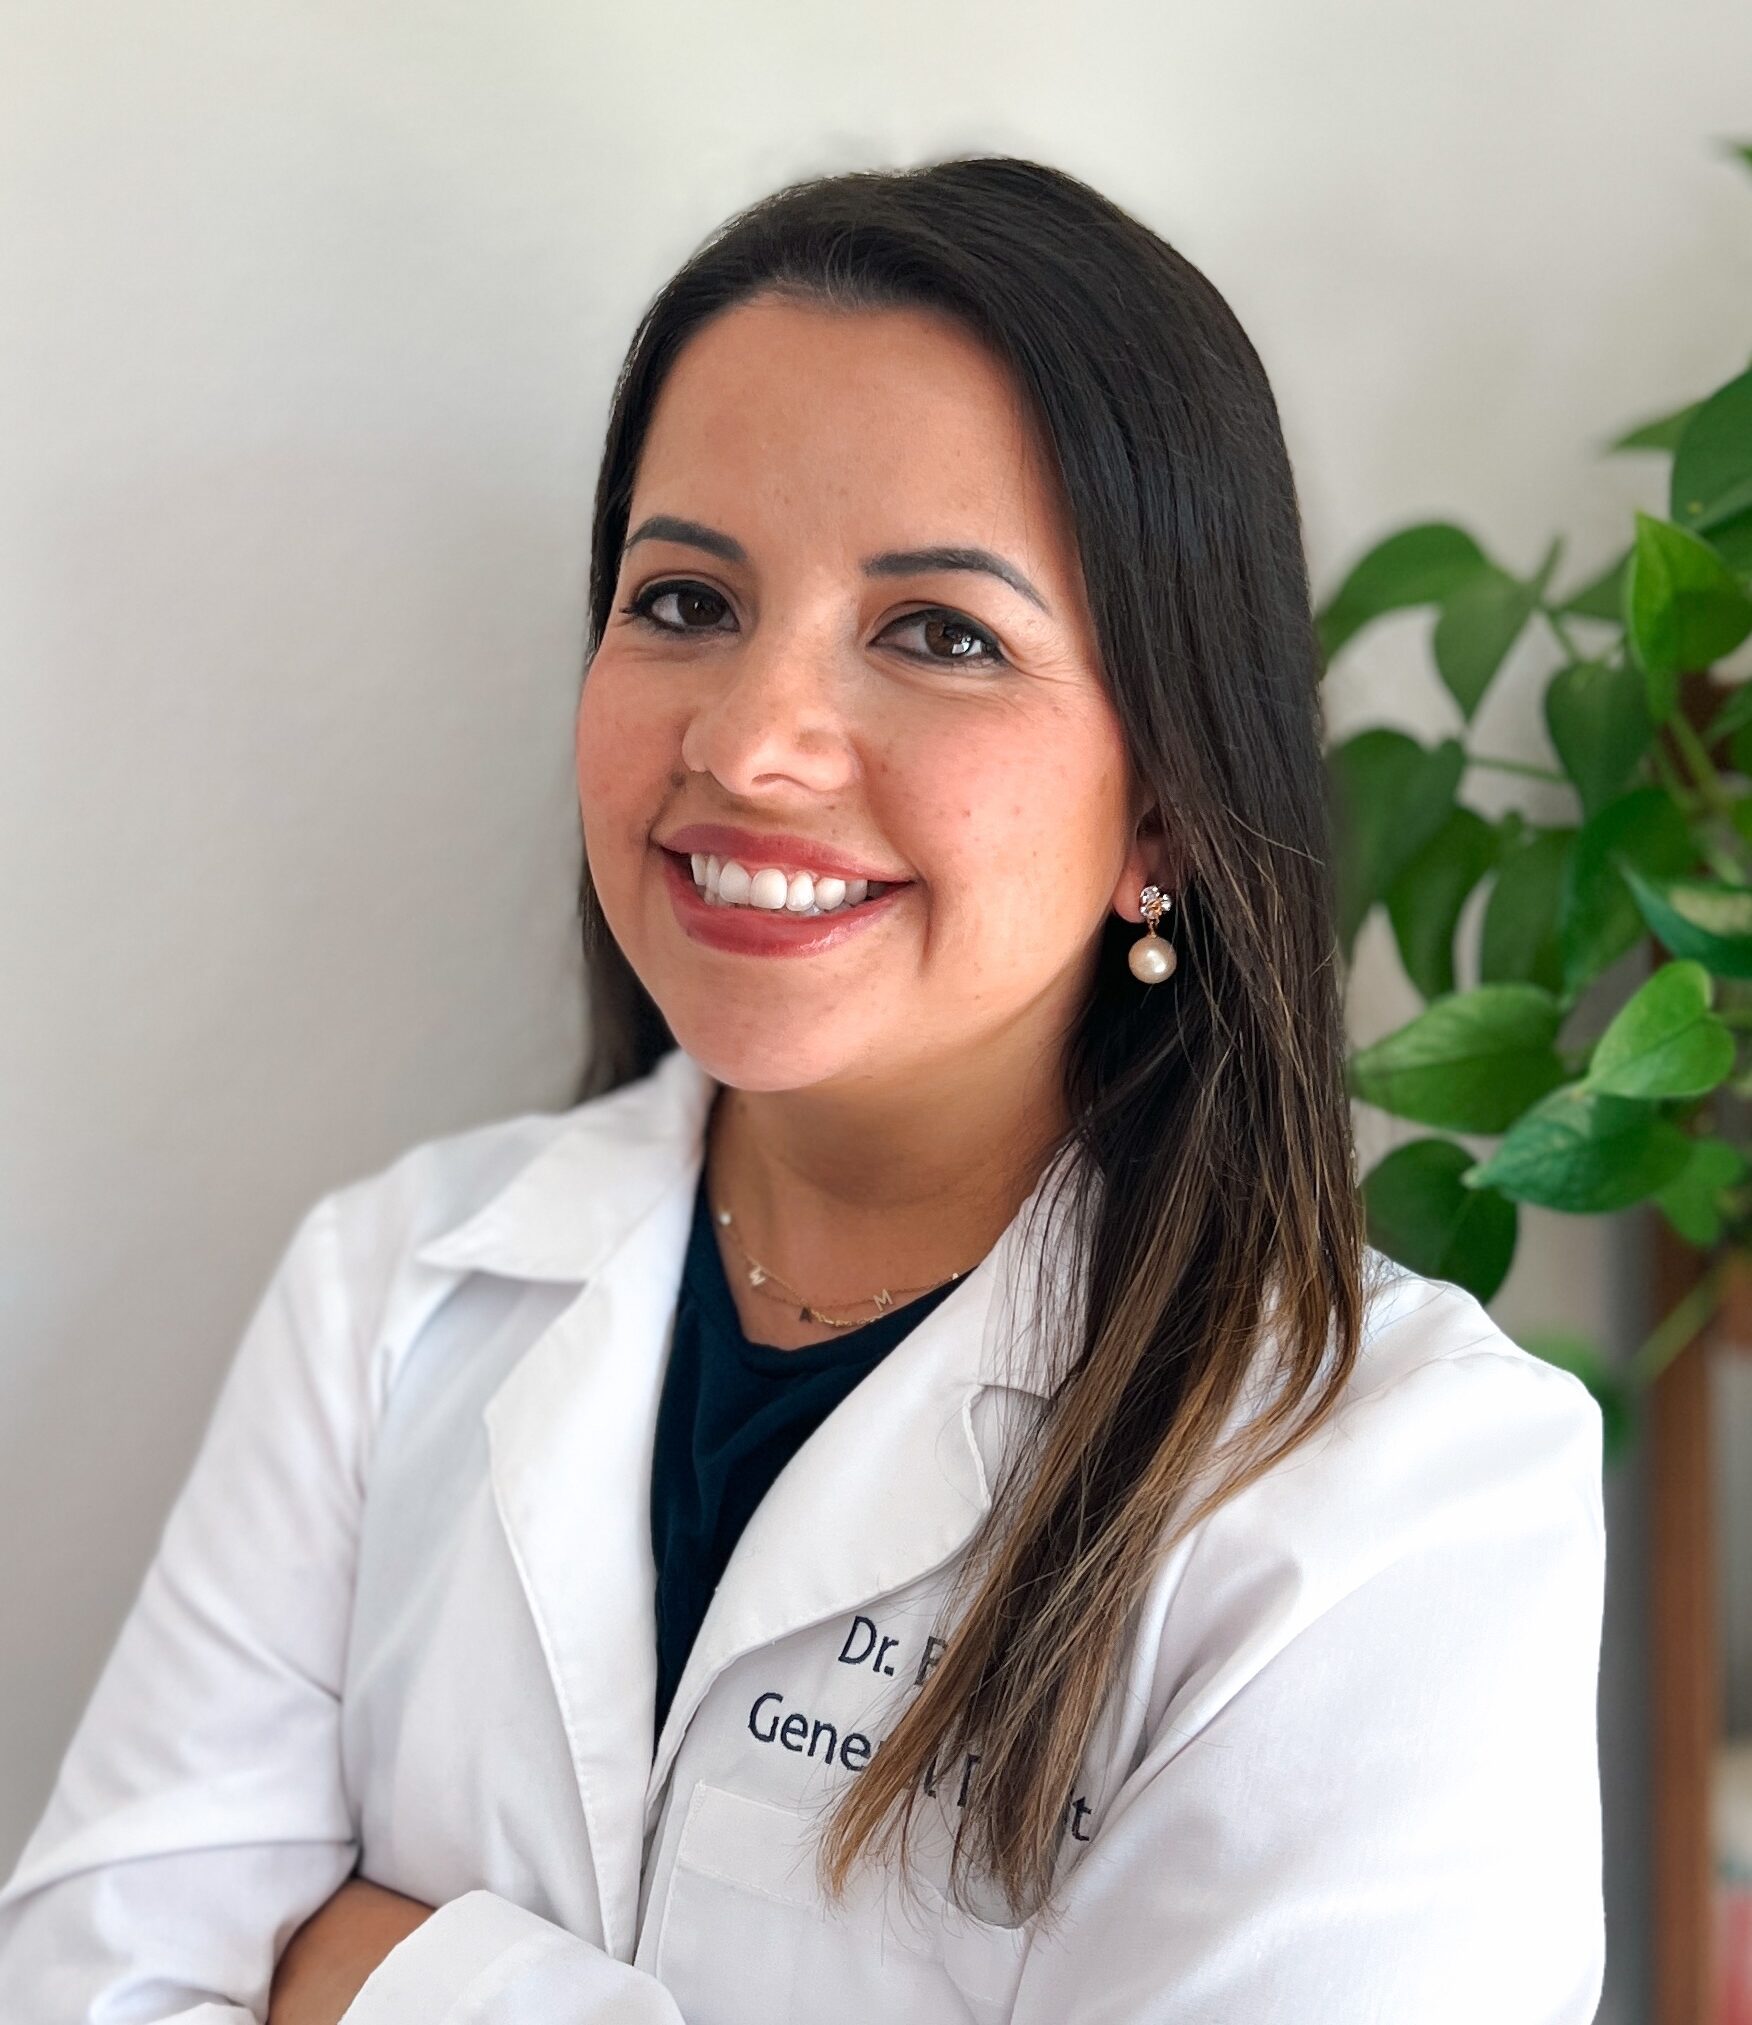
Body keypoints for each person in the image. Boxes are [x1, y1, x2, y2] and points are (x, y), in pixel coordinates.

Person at [0, 154, 1607, 2023]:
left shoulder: (1394, 1489)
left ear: (1161, 802)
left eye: (939, 633)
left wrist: (388, 1971)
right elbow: (86, 1983)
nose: (751, 742)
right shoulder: (395, 1286)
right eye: (683, 599)